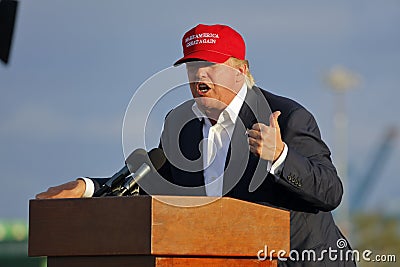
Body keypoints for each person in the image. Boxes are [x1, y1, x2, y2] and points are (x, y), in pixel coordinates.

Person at [36, 24, 356, 266]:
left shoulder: (287, 118)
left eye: (210, 66)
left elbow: (330, 192)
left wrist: (280, 157)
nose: (199, 76)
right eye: (191, 67)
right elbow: (156, 186)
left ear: (240, 71)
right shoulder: (181, 126)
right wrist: (90, 188)